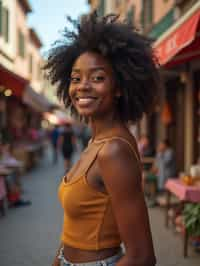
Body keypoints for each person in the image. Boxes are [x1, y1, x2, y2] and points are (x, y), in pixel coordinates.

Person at [45, 12, 160, 266]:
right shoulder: (96, 142)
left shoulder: (114, 151)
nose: (83, 86)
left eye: (97, 78)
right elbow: (74, 229)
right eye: (76, 78)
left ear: (119, 87)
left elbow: (142, 257)